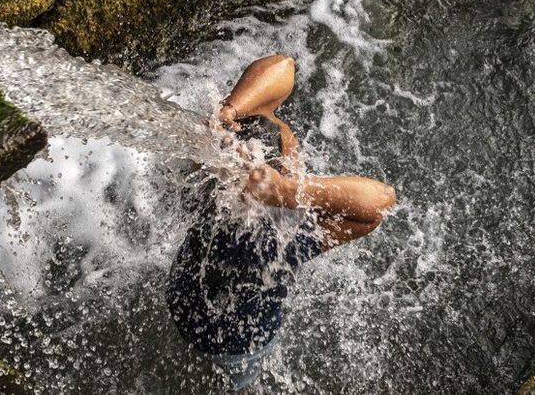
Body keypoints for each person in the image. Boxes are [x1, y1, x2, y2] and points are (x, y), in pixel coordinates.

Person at [166, 55, 396, 390]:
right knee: (237, 379)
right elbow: (379, 203)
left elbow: (283, 65)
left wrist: (227, 112)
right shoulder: (276, 242)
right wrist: (287, 191)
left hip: (182, 299)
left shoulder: (202, 177)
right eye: (292, 157)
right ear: (269, 184)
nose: (298, 155)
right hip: (234, 346)